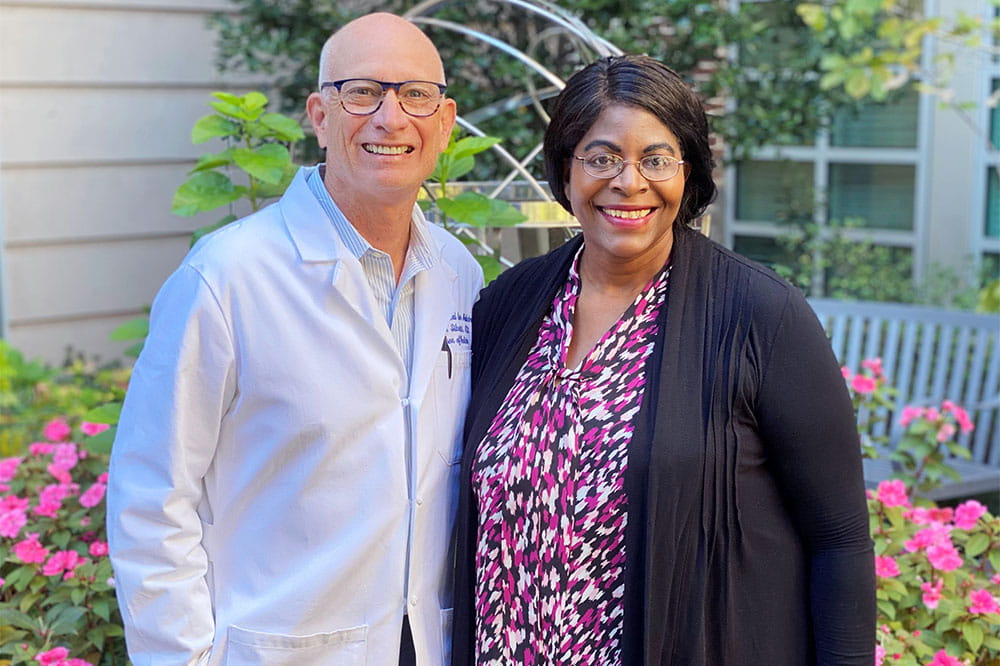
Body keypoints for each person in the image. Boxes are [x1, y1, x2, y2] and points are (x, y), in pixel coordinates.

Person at [451, 55, 875, 664]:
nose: (629, 182)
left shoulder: (761, 316)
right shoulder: (509, 305)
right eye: (601, 158)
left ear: (687, 174)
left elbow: (840, 541)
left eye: (656, 159)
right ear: (566, 171)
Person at [107, 12, 482, 666]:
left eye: (416, 95)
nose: (391, 118)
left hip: (427, 646)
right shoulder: (225, 276)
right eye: (362, 92)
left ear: (445, 122)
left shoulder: (459, 273)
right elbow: (151, 499)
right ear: (319, 115)